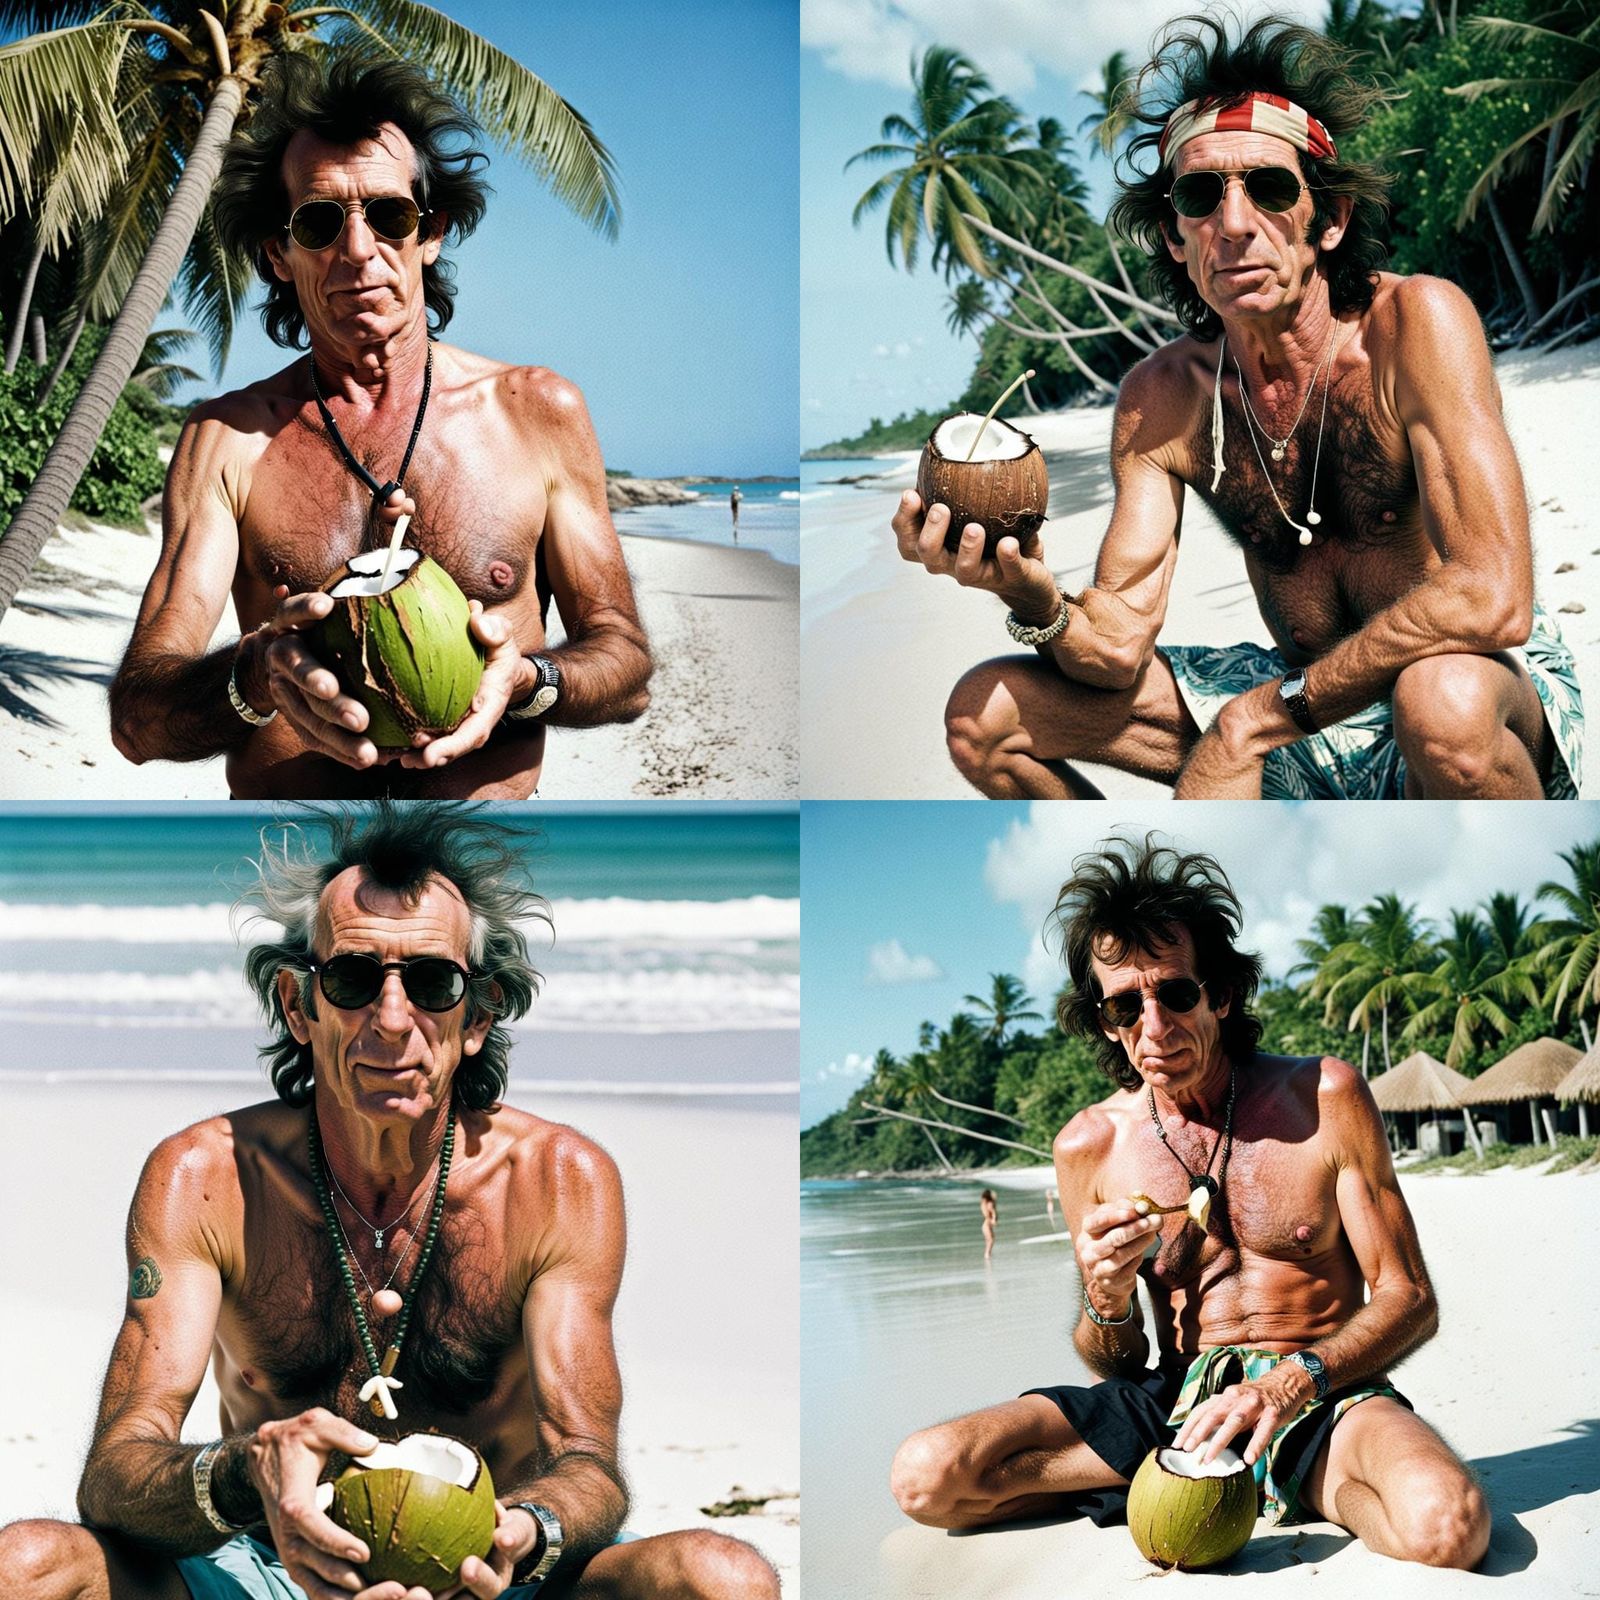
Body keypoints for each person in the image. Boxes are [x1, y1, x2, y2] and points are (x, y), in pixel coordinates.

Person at [0, 802, 778, 1600]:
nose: (395, 1019)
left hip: (490, 1571)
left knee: (720, 1578)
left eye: (434, 983)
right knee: (25, 1567)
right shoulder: (206, 1177)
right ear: (299, 1006)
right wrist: (246, 1474)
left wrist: (528, 1529)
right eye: (353, 979)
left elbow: (587, 1461)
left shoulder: (556, 1182)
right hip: (275, 1568)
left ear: (477, 1016)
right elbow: (115, 1473)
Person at [896, 16, 1581, 801]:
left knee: (1442, 703)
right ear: (1175, 237)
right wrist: (1029, 593)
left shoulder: (1413, 326)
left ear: (1330, 220)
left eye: (1270, 188)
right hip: (1309, 699)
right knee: (984, 715)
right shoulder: (1166, 399)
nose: (1233, 223)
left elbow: (1493, 596)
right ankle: (1134, 875)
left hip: (1464, 687)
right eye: (1200, 196)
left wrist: (1254, 720)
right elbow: (1116, 646)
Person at [890, 834, 1490, 1570]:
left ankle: (1302, 1481)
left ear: (1222, 993)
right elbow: (1116, 1363)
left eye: (1175, 994)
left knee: (1446, 1527)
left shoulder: (1322, 1097)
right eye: (1124, 1006)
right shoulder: (1089, 1147)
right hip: (1174, 1404)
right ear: (1104, 1019)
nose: (1153, 1026)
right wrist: (1106, 1299)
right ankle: (1180, 1478)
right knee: (928, 1479)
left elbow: (1410, 1298)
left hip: (1318, 1393)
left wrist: (1287, 1387)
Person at [109, 56, 652, 799]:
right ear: (278, 253)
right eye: (319, 222)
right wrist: (257, 677)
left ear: (431, 233)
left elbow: (626, 672)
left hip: (476, 846)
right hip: (292, 846)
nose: (359, 251)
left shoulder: (534, 413)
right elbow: (137, 721)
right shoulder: (229, 442)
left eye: (390, 216)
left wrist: (526, 682)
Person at [980, 1189, 998, 1260]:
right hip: (987, 1224)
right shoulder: (990, 1203)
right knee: (991, 1239)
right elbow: (993, 1212)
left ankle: (987, 1254)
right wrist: (994, 1220)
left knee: (989, 1240)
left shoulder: (984, 1203)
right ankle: (987, 1254)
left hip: (986, 1224)